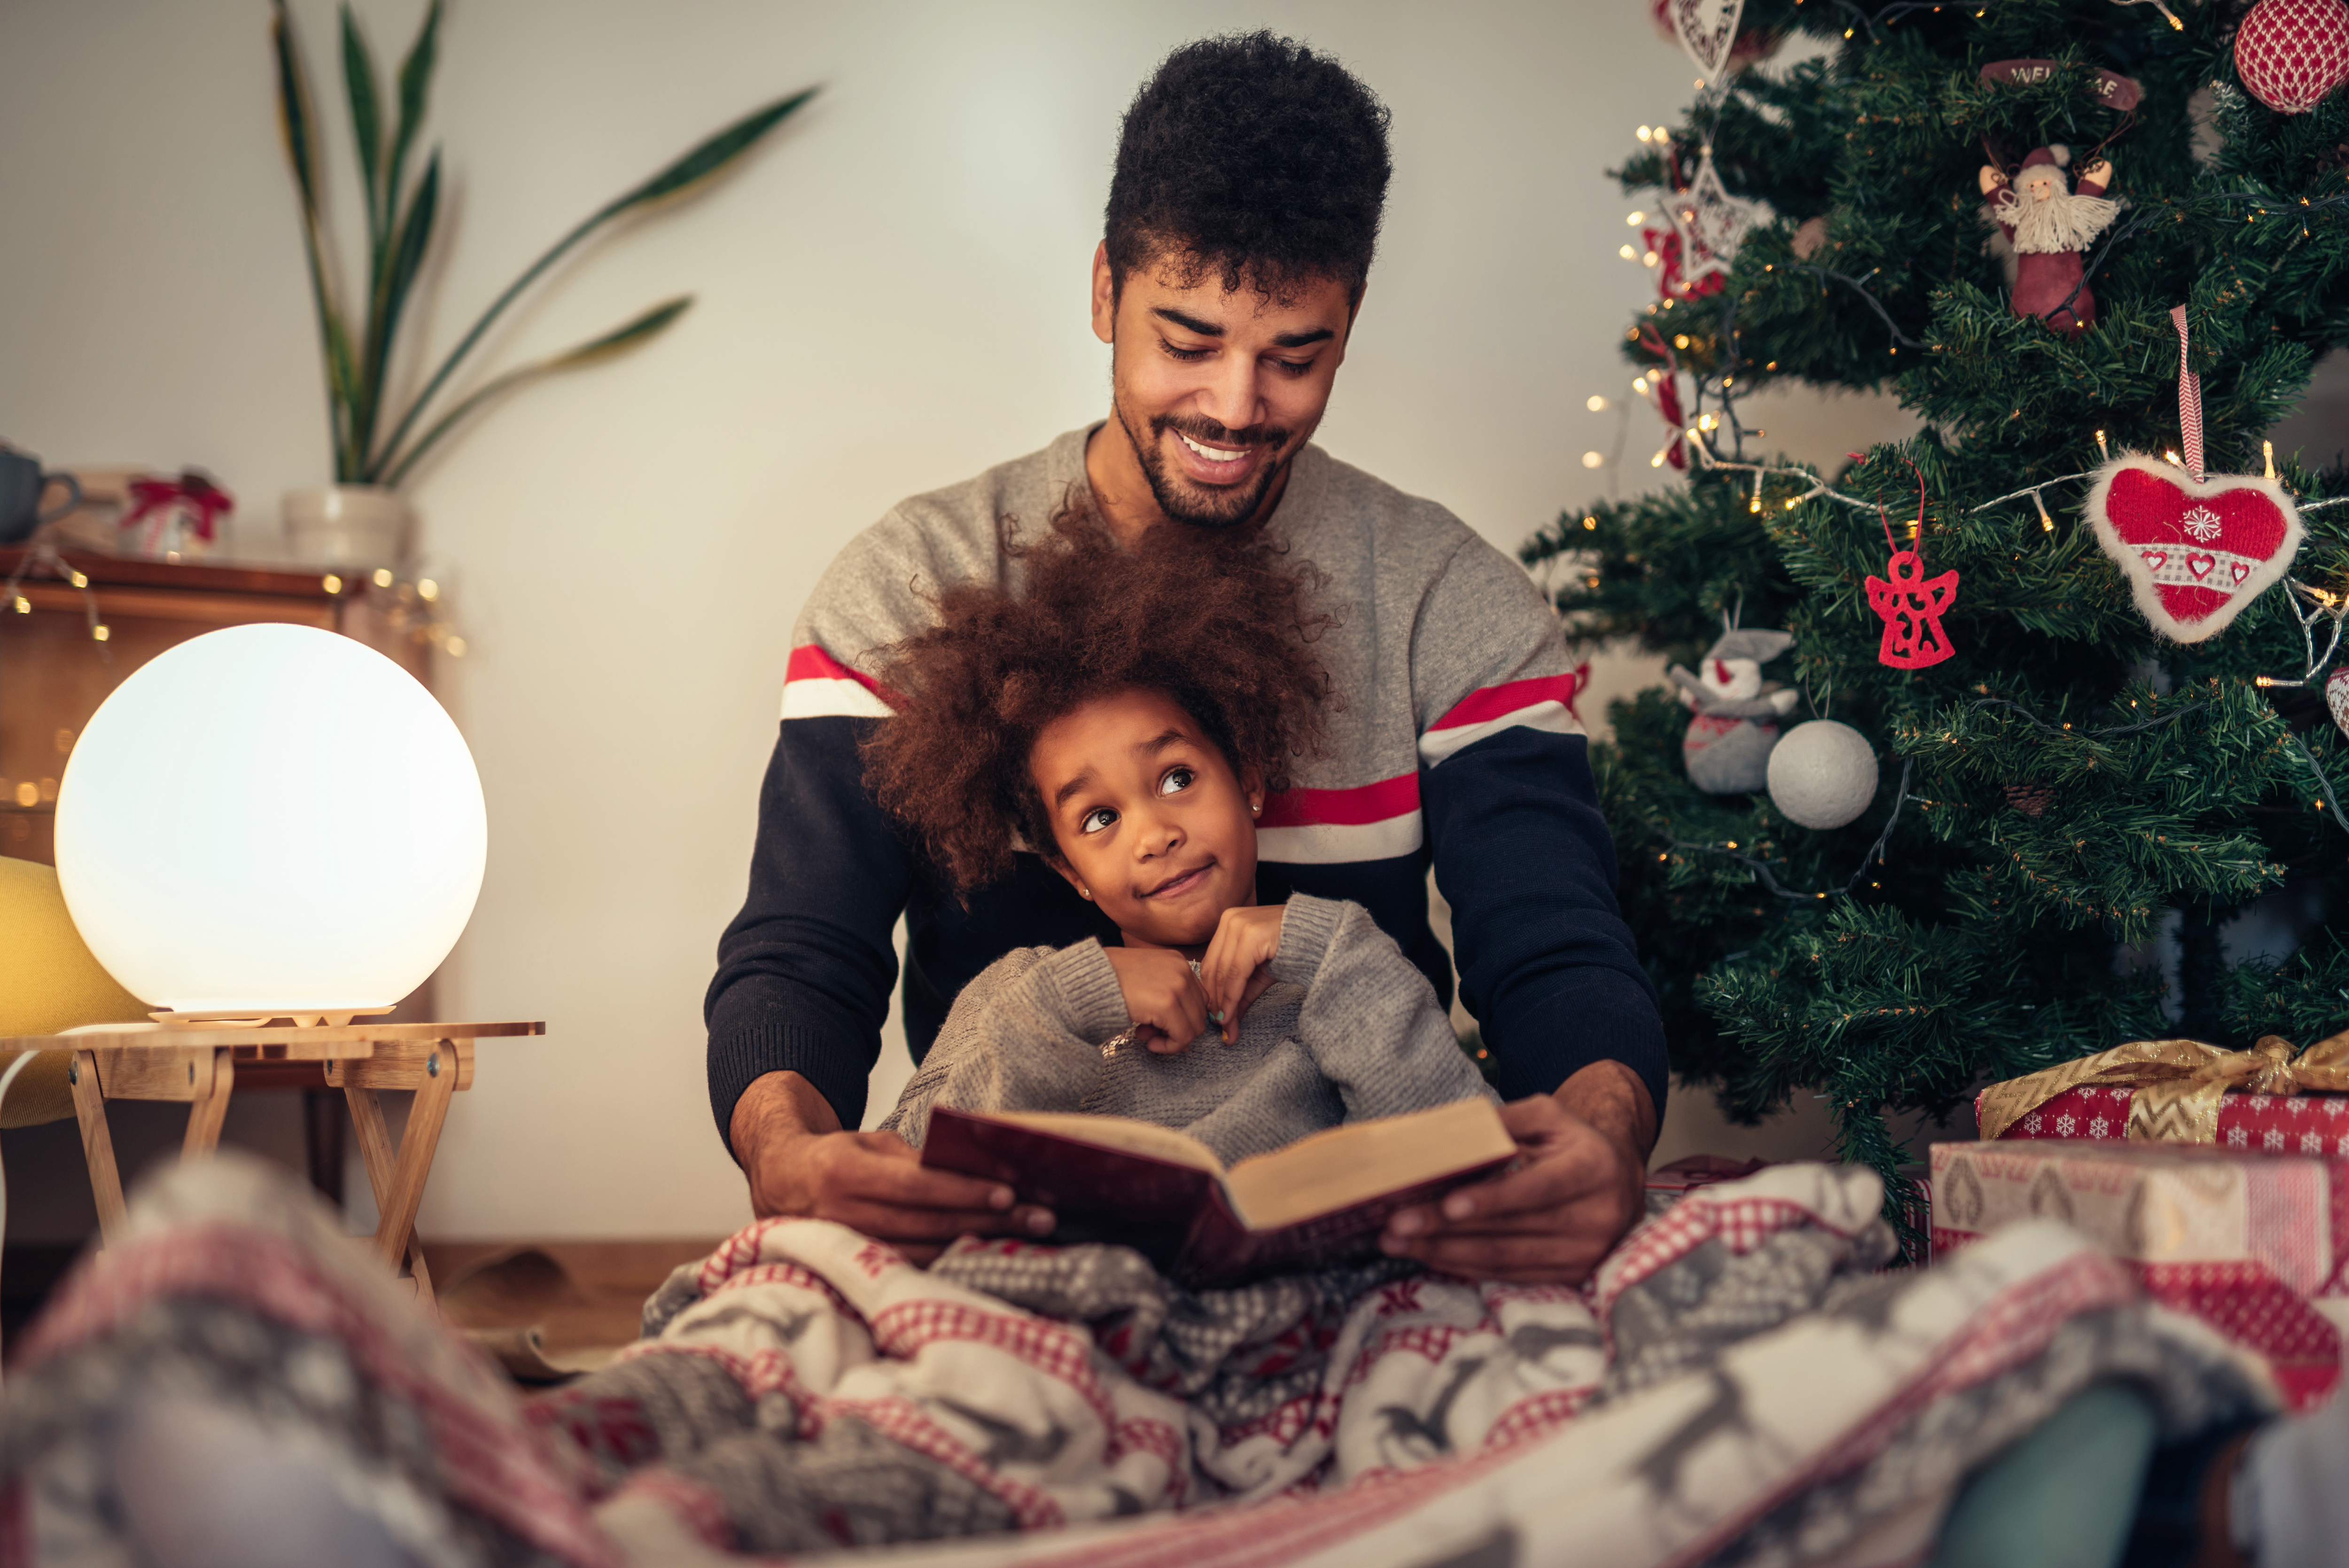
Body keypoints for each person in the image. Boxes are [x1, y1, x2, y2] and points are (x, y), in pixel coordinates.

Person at [708, 31, 1666, 1285]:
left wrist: (1604, 1138)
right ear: (1106, 289)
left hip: (1351, 1242)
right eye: (1189, 336)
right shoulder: (906, 589)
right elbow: (799, 955)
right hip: (1011, 1251)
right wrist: (792, 1154)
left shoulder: (1451, 603)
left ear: (1352, 320)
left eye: (1294, 355)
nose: (1233, 404)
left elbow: (1554, 949)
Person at [859, 506, 1492, 1176]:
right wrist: (1075, 998)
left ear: (1249, 779)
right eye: (1100, 819)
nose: (1156, 835)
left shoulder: (1338, 973)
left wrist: (1326, 948)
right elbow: (904, 1166)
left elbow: (1463, 1151)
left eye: (1176, 777)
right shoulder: (1021, 999)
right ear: (1069, 869)